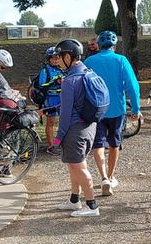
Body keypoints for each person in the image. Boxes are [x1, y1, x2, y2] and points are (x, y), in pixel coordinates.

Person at [83, 30, 141, 196]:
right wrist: (135, 109)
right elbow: (132, 85)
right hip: (117, 109)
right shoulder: (121, 60)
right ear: (114, 45)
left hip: (97, 109)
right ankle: (111, 175)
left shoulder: (89, 61)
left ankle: (103, 178)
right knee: (115, 143)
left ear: (99, 45)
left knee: (98, 144)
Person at [51, 39, 99, 217]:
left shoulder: (70, 80)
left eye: (59, 56)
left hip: (74, 130)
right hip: (88, 126)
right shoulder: (87, 72)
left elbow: (65, 115)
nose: (57, 60)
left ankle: (92, 206)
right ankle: (74, 200)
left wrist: (58, 138)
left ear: (68, 56)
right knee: (75, 165)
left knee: (79, 167)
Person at [35, 47, 64, 154]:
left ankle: (59, 142)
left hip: (62, 98)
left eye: (57, 57)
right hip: (50, 98)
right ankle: (51, 145)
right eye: (53, 58)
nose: (56, 60)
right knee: (51, 122)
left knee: (63, 121)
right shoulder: (45, 70)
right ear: (49, 59)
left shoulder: (62, 69)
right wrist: (54, 82)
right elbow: (41, 85)